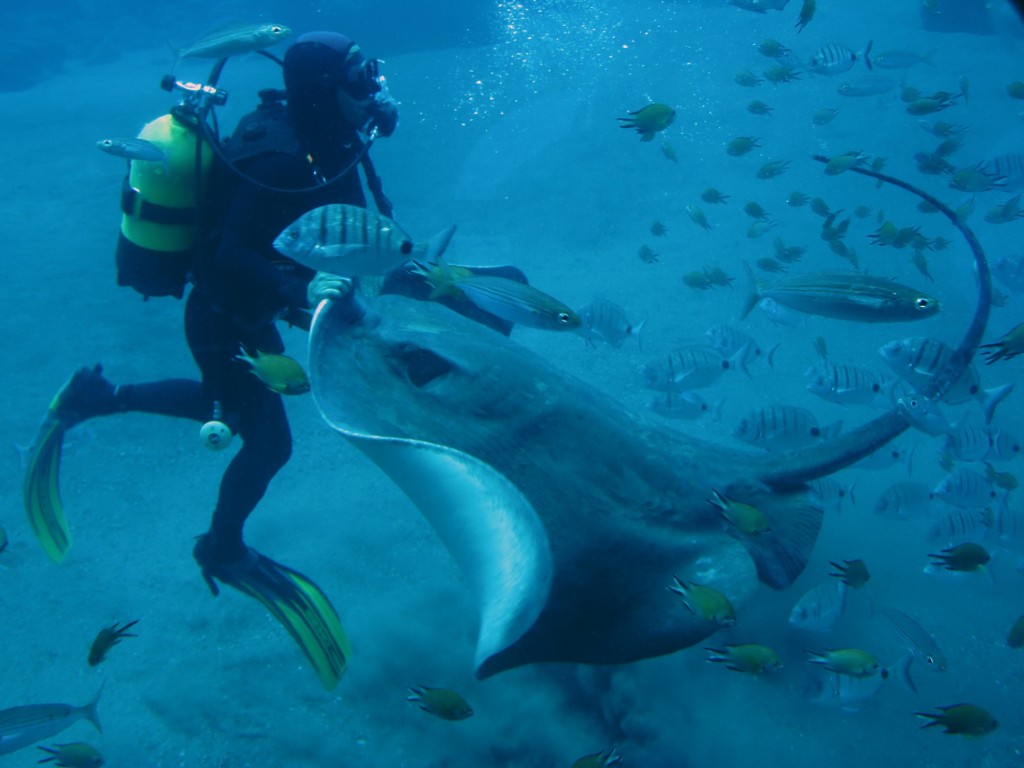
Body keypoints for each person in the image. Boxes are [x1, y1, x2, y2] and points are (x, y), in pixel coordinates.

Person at [25, 31, 405, 690]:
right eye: (358, 77)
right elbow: (230, 254)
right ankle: (220, 546)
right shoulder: (279, 159)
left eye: (368, 71)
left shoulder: (324, 132)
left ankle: (96, 399)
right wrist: (298, 292)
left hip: (250, 312)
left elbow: (342, 202)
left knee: (224, 405)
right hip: (222, 313)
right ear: (323, 91)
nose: (371, 84)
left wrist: (374, 115)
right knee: (268, 441)